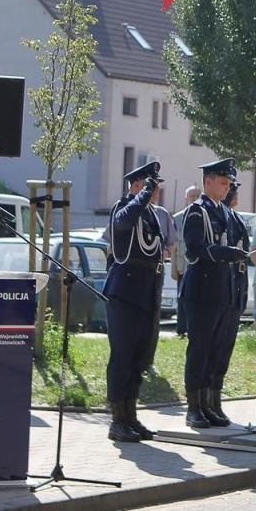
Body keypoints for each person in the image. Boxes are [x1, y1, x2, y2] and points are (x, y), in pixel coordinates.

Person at [181, 157, 255, 428]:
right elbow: (195, 248)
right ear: (208, 181)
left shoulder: (225, 213)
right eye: (223, 182)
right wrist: (227, 253)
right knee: (200, 350)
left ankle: (211, 402)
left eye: (228, 184)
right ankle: (194, 407)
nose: (227, 188)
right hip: (202, 291)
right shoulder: (197, 211)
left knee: (219, 350)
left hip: (224, 291)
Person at [102, 160, 164, 443]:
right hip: (125, 293)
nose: (156, 191)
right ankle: (117, 421)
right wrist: (142, 195)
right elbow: (123, 222)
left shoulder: (150, 215)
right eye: (151, 185)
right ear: (137, 184)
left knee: (139, 358)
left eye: (156, 186)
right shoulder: (123, 207)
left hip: (146, 292)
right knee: (123, 357)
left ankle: (131, 415)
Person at [208, 177, 256, 416]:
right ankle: (208, 399)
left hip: (237, 286)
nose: (234, 193)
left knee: (226, 348)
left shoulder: (236, 219)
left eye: (234, 189)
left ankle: (216, 397)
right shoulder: (220, 219)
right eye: (231, 189)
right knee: (214, 347)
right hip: (223, 287)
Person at [142, 181, 176, 376]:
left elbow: (172, 243)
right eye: (152, 189)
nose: (155, 193)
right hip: (135, 272)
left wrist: (166, 252)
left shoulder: (162, 214)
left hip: (156, 271)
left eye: (157, 189)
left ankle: (148, 360)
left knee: (153, 315)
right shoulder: (130, 210)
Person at [172, 185, 199, 336]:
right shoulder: (177, 218)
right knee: (181, 299)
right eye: (191, 196)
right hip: (182, 267)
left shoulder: (204, 216)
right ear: (186, 198)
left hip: (198, 267)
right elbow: (173, 245)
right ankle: (181, 330)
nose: (194, 199)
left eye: (197, 196)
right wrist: (173, 267)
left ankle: (194, 330)